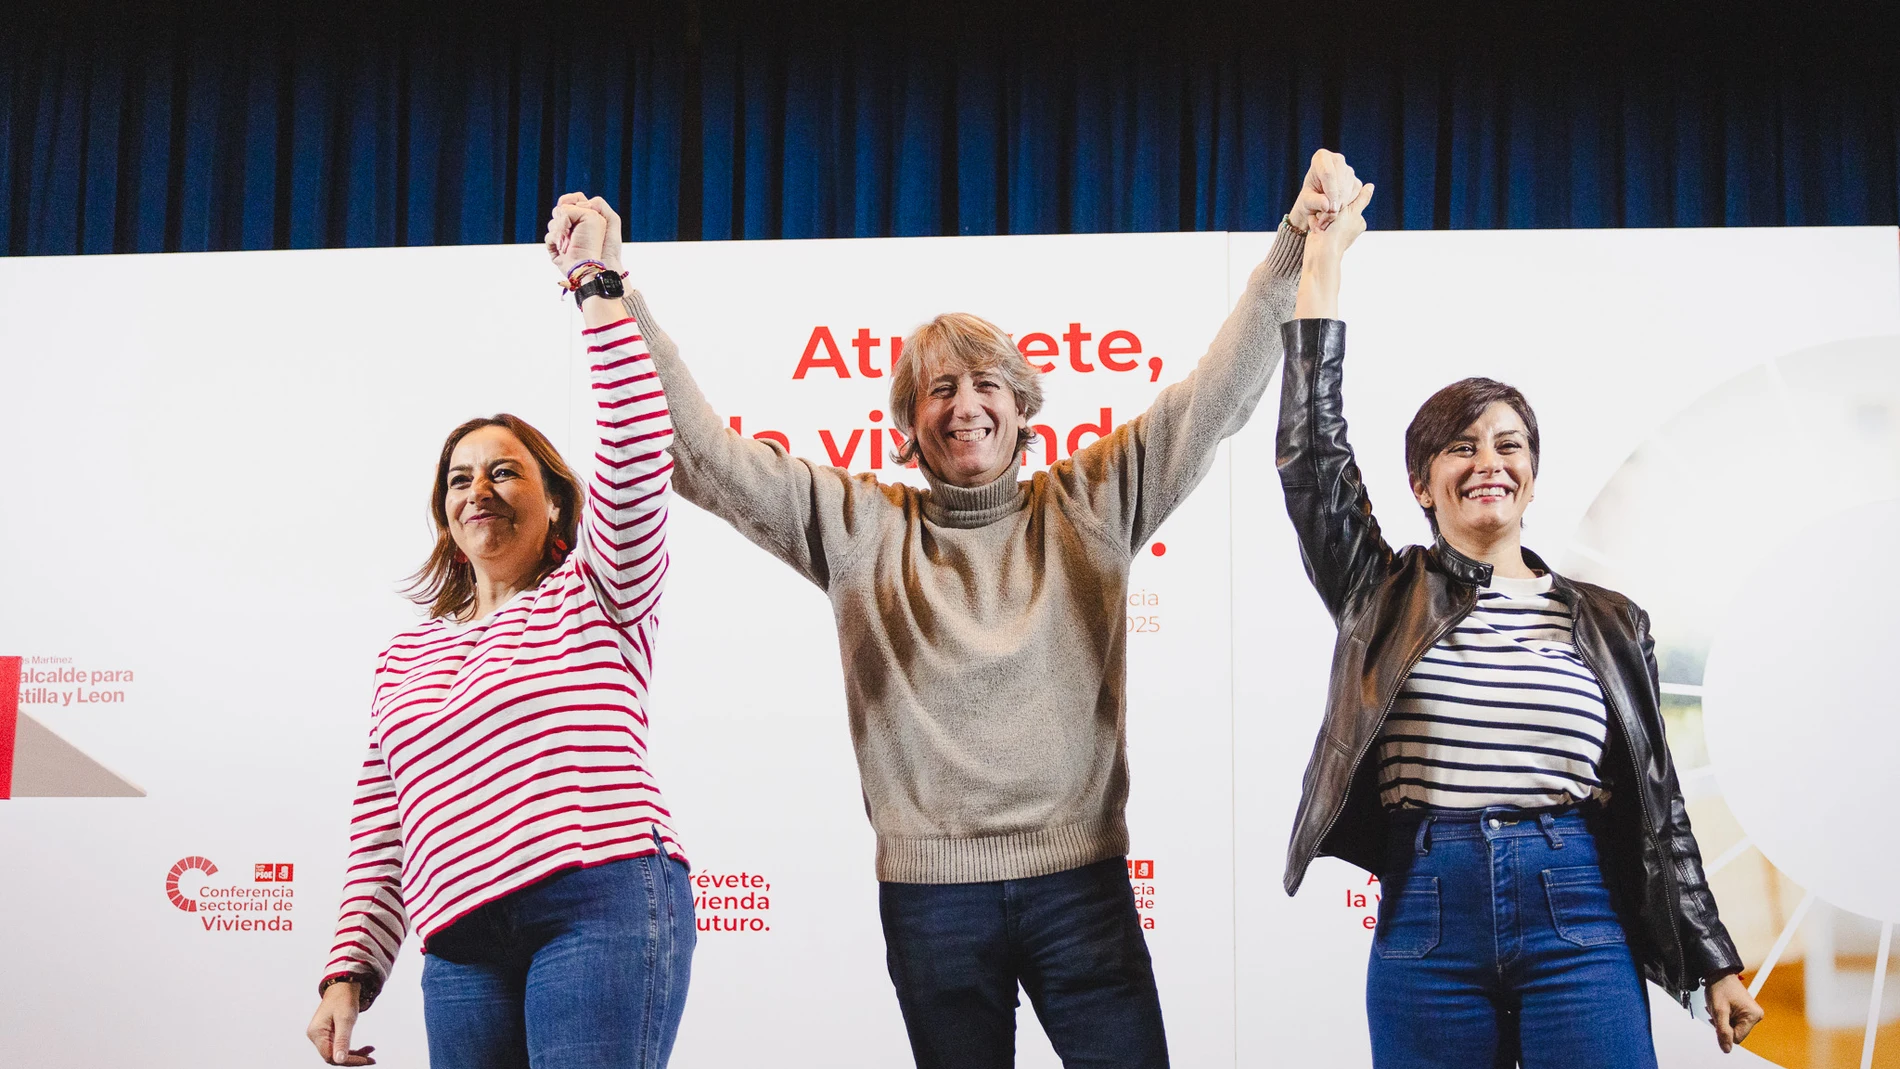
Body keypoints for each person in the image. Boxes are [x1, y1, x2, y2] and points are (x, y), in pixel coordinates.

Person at [601, 151, 1358, 1067]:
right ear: (910, 422)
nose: (965, 408)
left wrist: (1294, 241)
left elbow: (1221, 387)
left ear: (1023, 405)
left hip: (1082, 882)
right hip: (932, 900)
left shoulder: (1093, 499)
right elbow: (703, 453)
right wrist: (611, 292)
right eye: (940, 390)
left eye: (985, 385)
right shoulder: (857, 526)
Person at [1272, 187, 1765, 1066]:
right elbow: (1313, 449)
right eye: (1458, 447)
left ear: (1532, 476)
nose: (1487, 462)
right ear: (1423, 483)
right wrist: (1325, 256)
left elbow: (1661, 806)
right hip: (1428, 907)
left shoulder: (1611, 623)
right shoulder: (1381, 591)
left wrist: (1712, 957)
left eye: (1509, 445)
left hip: (1576, 903)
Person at [305, 197, 694, 1069]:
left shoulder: (600, 591)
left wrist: (595, 285)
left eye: (505, 470)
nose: (477, 488)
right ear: (445, 512)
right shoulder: (405, 655)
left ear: (555, 498)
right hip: (460, 941)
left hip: (598, 900)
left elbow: (638, 448)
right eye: (458, 478)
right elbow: (383, 829)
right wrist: (348, 977)